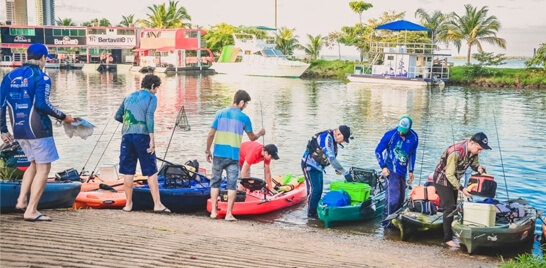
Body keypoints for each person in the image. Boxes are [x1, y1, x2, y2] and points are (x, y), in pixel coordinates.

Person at [0, 43, 76, 221]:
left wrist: (3, 130)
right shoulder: (41, 77)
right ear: (43, 59)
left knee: (33, 164)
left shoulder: (9, 76)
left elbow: (1, 105)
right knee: (43, 168)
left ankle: (21, 200)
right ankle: (31, 210)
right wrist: (65, 117)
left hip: (18, 129)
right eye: (45, 59)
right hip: (38, 129)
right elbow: (42, 104)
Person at [206, 89, 265, 221]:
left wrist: (207, 150)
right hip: (233, 156)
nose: (245, 107)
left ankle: (214, 212)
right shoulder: (244, 118)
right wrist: (260, 133)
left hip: (218, 154)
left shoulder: (219, 113)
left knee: (215, 182)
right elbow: (252, 138)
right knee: (232, 185)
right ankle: (228, 214)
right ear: (241, 102)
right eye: (245, 104)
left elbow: (211, 134)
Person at [114, 74, 169, 213]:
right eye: (157, 88)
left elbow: (117, 116)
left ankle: (128, 204)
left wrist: (130, 124)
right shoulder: (151, 97)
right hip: (143, 136)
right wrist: (152, 139)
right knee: (151, 170)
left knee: (128, 170)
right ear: (152, 86)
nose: (157, 91)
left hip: (126, 136)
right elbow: (149, 117)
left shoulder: (128, 97)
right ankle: (157, 204)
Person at [433, 132, 491, 248]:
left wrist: (479, 168)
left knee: (454, 206)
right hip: (442, 179)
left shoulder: (473, 152)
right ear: (472, 143)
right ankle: (448, 239)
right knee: (449, 207)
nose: (480, 151)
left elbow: (474, 164)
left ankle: (448, 231)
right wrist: (461, 188)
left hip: (454, 179)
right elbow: (449, 175)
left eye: (481, 150)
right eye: (479, 149)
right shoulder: (456, 152)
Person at [375, 115, 419, 228]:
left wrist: (411, 170)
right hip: (390, 170)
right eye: (400, 130)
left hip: (402, 171)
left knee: (400, 199)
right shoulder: (390, 135)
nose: (401, 133)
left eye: (403, 132)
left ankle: (395, 223)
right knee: (393, 199)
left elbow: (412, 154)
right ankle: (386, 224)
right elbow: (378, 151)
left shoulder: (414, 137)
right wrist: (383, 167)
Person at [301, 125, 353, 219]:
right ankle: (311, 215)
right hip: (309, 165)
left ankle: (316, 213)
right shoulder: (326, 138)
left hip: (318, 167)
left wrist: (337, 169)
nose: (343, 141)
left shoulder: (333, 139)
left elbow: (329, 158)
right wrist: (345, 173)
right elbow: (331, 158)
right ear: (338, 134)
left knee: (319, 190)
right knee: (315, 190)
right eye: (344, 139)